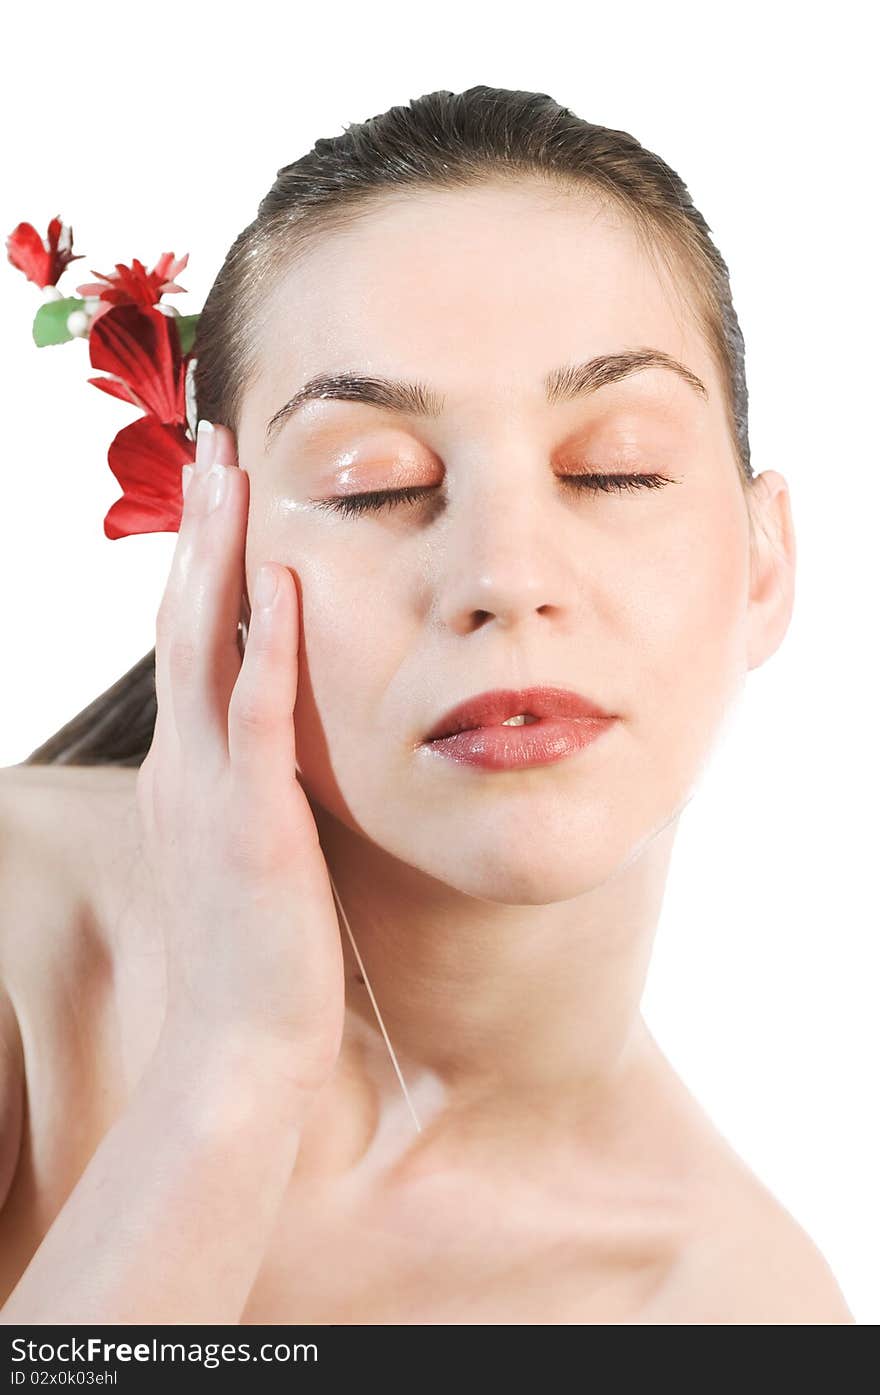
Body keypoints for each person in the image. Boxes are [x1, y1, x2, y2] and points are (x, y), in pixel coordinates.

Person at [0, 85, 854, 1325]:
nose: (505, 575)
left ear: (764, 563)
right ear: (212, 565)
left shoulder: (732, 1307)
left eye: (612, 467)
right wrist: (231, 1072)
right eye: (372, 484)